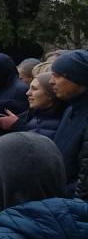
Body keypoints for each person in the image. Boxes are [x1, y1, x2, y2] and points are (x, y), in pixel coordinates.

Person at [51, 49, 88, 199]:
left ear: (78, 79)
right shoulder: (71, 109)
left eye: (57, 76)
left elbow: (84, 184)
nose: (51, 81)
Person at [0, 68, 63, 141]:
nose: (27, 93)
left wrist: (17, 125)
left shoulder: (62, 121)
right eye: (29, 88)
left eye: (34, 89)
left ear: (50, 94)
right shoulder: (33, 114)